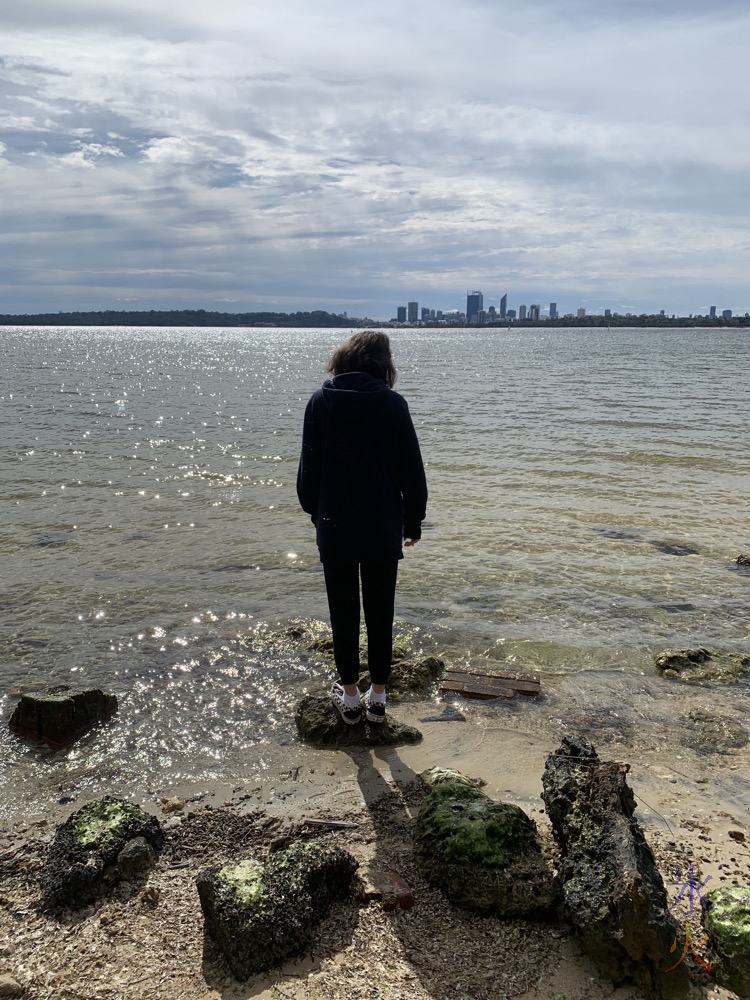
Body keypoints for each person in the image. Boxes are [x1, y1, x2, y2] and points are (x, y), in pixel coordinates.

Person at [297, 331, 427, 725]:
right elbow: (412, 471)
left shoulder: (320, 402)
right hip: (381, 526)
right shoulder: (392, 405)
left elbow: (307, 474)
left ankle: (351, 697)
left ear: (344, 358)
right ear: (382, 363)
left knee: (343, 611)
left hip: (335, 525)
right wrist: (413, 521)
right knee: (380, 611)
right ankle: (379, 698)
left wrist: (316, 514)